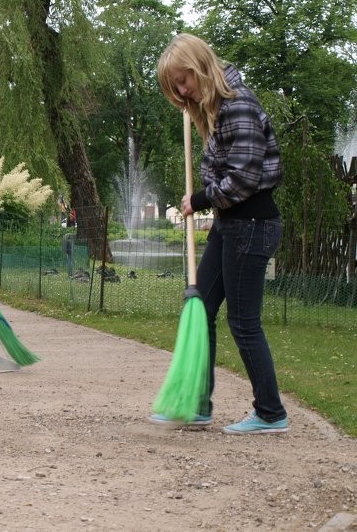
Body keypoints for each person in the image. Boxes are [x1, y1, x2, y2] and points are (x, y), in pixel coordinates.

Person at [151, 33, 288, 434]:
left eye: (184, 80)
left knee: (244, 322)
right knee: (200, 308)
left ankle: (270, 412)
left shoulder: (238, 105)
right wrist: (206, 195)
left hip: (252, 224)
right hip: (232, 225)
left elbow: (244, 179)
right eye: (176, 85)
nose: (182, 90)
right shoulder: (216, 109)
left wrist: (201, 198)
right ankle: (198, 405)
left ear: (200, 66)